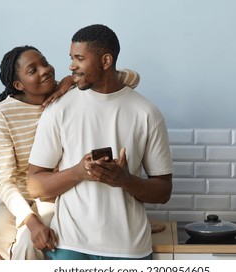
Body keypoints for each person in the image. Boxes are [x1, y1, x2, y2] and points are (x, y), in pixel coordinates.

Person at [0, 45, 140, 260]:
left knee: (31, 246)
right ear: (18, 84)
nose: (44, 70)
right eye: (32, 70)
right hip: (13, 198)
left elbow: (132, 77)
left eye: (44, 63)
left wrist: (70, 81)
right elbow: (5, 182)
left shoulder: (71, 94)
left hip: (52, 196)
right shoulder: (4, 112)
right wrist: (30, 220)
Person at [27, 24, 173, 260]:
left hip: (129, 249)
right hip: (70, 247)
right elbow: (34, 185)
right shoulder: (58, 109)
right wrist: (78, 172)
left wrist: (125, 181)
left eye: (79, 58)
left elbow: (163, 191)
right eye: (71, 58)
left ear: (106, 61)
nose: (71, 65)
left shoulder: (146, 113)